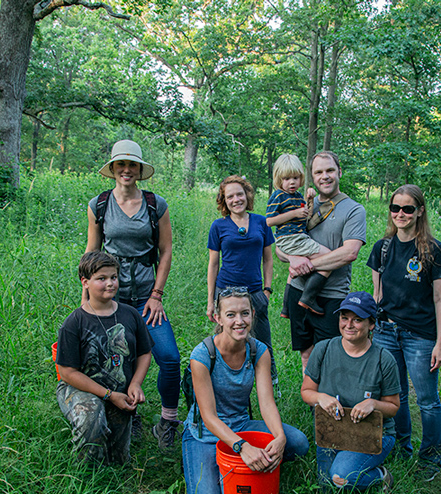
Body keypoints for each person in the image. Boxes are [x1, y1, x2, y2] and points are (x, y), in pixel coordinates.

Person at [85, 139, 182, 450]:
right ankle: (130, 413)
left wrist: (157, 294)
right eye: (120, 165)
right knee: (118, 360)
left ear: (140, 170)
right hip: (110, 297)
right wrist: (87, 301)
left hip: (145, 296)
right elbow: (91, 253)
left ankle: (167, 420)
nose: (126, 170)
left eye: (132, 165)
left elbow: (165, 251)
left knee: (168, 357)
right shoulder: (98, 205)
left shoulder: (156, 205)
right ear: (113, 169)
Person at [182, 287, 309, 494]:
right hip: (205, 433)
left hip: (242, 424)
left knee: (298, 443)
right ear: (218, 318)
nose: (239, 321)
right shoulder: (202, 356)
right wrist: (243, 447)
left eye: (244, 313)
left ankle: (238, 467)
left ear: (252, 314)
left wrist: (279, 437)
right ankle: (209, 466)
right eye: (230, 315)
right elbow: (209, 417)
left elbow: (266, 402)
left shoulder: (258, 351)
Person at [367, 184, 441, 481]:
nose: (400, 214)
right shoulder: (383, 247)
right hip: (387, 332)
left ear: (420, 212)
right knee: (396, 395)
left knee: (427, 400)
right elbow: (378, 294)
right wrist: (371, 330)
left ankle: (431, 458)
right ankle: (402, 448)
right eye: (395, 208)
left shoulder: (433, 250)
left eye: (407, 209)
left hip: (420, 336)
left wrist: (439, 343)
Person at [55, 252, 153, 466]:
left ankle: (111, 480)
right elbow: (67, 372)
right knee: (92, 420)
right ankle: (84, 479)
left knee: (117, 461)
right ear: (85, 282)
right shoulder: (74, 323)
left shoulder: (130, 315)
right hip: (80, 389)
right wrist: (108, 395)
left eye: (114, 277)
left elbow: (145, 352)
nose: (110, 283)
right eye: (102, 278)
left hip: (119, 390)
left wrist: (135, 383)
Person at [276, 151, 367, 373]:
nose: (324, 176)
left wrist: (307, 265)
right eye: (318, 172)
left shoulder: (354, 210)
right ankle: (314, 406)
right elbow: (280, 246)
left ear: (339, 172)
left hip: (331, 296)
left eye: (329, 171)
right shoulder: (301, 206)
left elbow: (349, 253)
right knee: (306, 353)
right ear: (312, 177)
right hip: (299, 290)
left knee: (329, 355)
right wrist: (292, 258)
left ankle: (331, 404)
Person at [300, 291, 400, 491]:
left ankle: (380, 477)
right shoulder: (324, 349)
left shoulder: (383, 359)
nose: (349, 325)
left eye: (357, 320)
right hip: (331, 430)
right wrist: (320, 397)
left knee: (341, 476)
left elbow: (394, 407)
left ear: (371, 324)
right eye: (344, 318)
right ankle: (353, 469)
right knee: (326, 485)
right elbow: (306, 391)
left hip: (372, 432)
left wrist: (373, 404)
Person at [206, 175, 277, 380]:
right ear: (224, 200)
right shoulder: (218, 226)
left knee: (263, 340)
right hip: (225, 291)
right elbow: (213, 264)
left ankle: (270, 381)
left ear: (247, 195)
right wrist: (211, 301)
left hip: (254, 291)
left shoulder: (261, 222)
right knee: (228, 339)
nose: (236, 199)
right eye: (230, 196)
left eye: (240, 194)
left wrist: (267, 290)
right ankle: (228, 379)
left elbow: (268, 259)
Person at [265, 154, 332, 315]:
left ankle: (286, 306)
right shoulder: (279, 196)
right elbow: (269, 221)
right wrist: (294, 213)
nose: (292, 182)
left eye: (295, 177)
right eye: (287, 178)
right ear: (279, 179)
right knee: (329, 258)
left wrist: (309, 199)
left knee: (297, 268)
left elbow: (306, 216)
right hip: (291, 238)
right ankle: (308, 297)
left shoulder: (296, 196)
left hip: (298, 236)